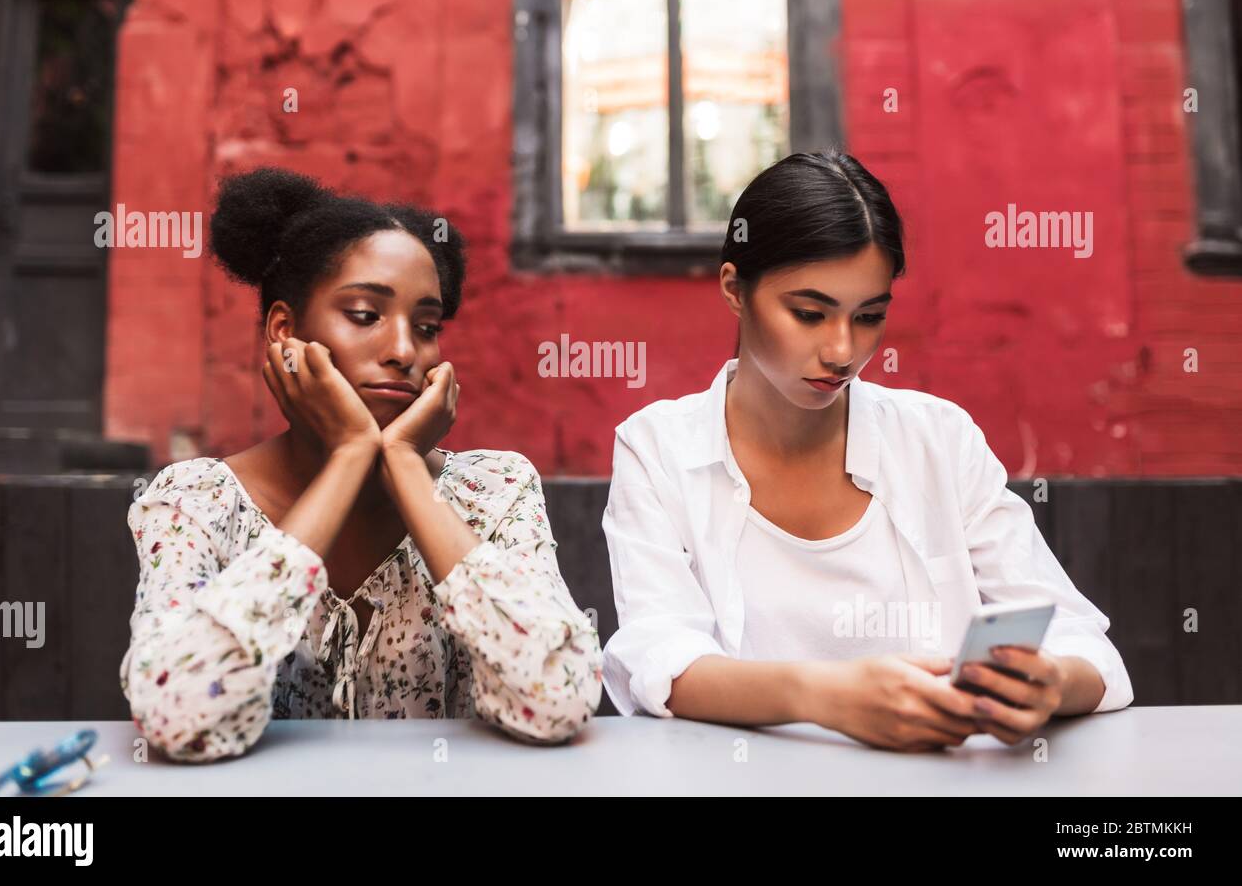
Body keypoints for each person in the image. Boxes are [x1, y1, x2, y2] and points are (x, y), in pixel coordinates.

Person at [601, 151, 1133, 752]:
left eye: (870, 316)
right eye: (809, 313)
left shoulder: (938, 439)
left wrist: (1049, 683)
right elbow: (657, 662)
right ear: (734, 290)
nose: (841, 350)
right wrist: (827, 699)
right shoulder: (659, 449)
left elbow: (1083, 644)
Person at [120, 167, 602, 762]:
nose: (404, 351)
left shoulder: (494, 494)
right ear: (284, 333)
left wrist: (402, 465)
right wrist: (349, 459)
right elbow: (176, 715)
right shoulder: (196, 503)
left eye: (427, 327)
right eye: (365, 315)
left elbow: (561, 697)